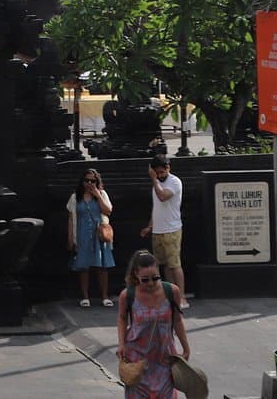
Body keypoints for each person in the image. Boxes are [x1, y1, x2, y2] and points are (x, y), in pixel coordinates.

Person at [117, 249, 190, 398]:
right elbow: (122, 318)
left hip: (164, 357)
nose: (150, 283)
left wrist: (185, 347)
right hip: (137, 360)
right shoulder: (128, 295)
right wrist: (121, 344)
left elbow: (177, 320)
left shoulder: (172, 291)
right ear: (136, 275)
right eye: (145, 280)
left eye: (155, 278)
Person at [139, 154, 189, 310]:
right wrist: (150, 225)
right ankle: (169, 294)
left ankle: (181, 297)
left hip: (172, 229)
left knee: (175, 264)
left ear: (168, 168)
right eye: (157, 173)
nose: (160, 176)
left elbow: (162, 197)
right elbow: (157, 208)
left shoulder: (174, 182)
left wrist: (154, 180)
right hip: (158, 229)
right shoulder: (157, 185)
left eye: (162, 172)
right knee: (164, 264)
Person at [67, 167, 115, 307]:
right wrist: (70, 238)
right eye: (86, 180)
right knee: (83, 266)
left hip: (98, 234)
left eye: (92, 181)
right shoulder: (76, 197)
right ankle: (85, 296)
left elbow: (108, 211)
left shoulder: (102, 194)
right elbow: (71, 219)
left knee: (102, 266)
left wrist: (98, 195)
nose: (89, 183)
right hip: (82, 233)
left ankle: (105, 296)